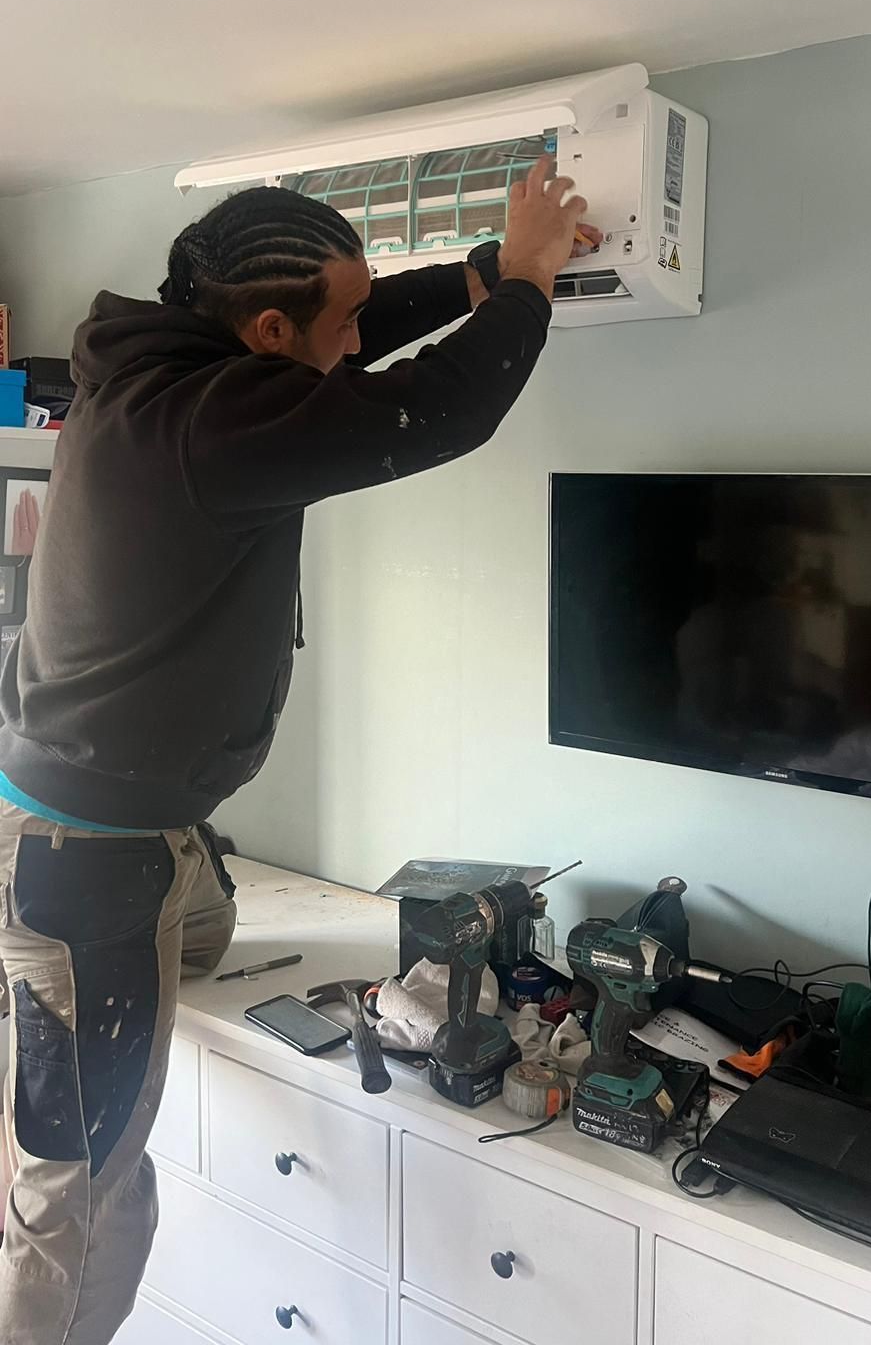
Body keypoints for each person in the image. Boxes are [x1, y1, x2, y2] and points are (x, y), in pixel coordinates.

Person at [0, 156, 595, 1342]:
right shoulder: (216, 423)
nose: (361, 335)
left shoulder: (159, 366)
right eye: (342, 322)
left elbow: (360, 332)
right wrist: (523, 288)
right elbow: (443, 408)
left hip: (124, 827)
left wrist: (480, 274)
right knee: (78, 1193)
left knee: (211, 938)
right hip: (87, 871)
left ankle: (185, 912)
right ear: (268, 331)